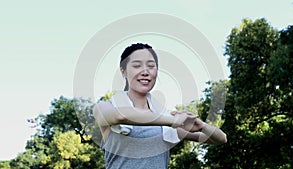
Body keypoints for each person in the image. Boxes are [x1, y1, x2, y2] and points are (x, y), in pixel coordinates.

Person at [93, 43, 227, 169]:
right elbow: (120, 115)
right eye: (137, 65)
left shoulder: (164, 123)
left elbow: (221, 139)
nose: (145, 72)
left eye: (151, 66)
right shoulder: (104, 107)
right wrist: (174, 121)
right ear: (123, 71)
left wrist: (201, 125)